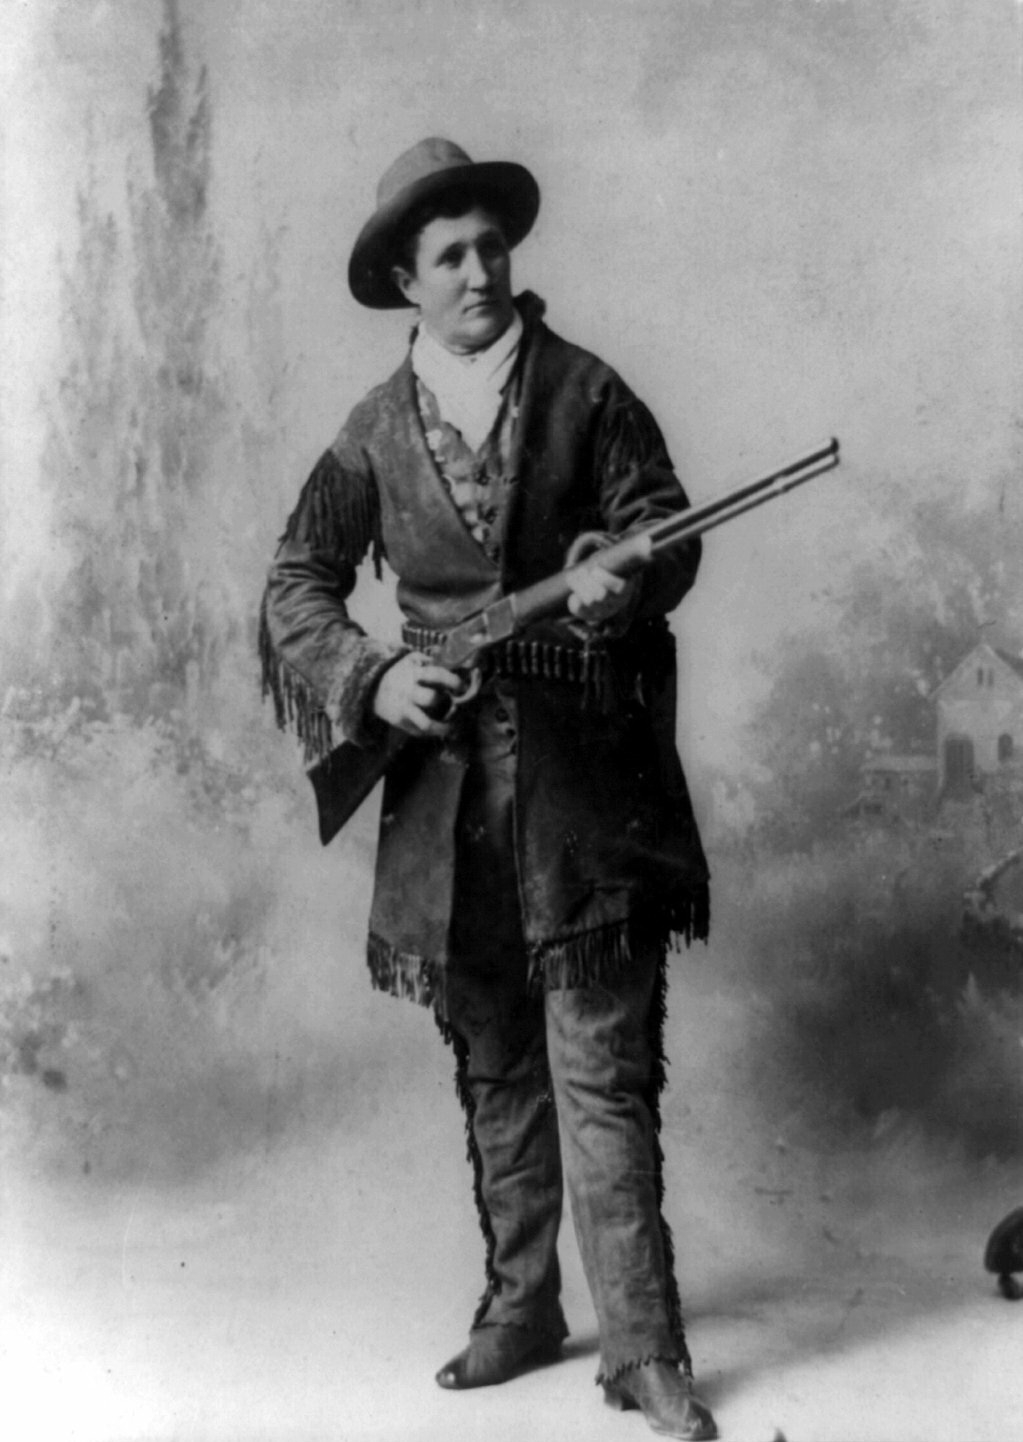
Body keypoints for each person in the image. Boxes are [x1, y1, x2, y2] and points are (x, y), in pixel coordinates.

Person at [260, 137, 717, 1441]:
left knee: (602, 1069)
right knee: (497, 1061)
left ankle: (645, 1347)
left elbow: (666, 530)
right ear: (407, 282)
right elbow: (296, 586)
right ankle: (522, 1307)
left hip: (588, 791)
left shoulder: (588, 391)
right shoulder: (372, 429)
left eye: (491, 247)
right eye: (450, 256)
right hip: (448, 801)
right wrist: (373, 678)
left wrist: (620, 580)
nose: (480, 273)